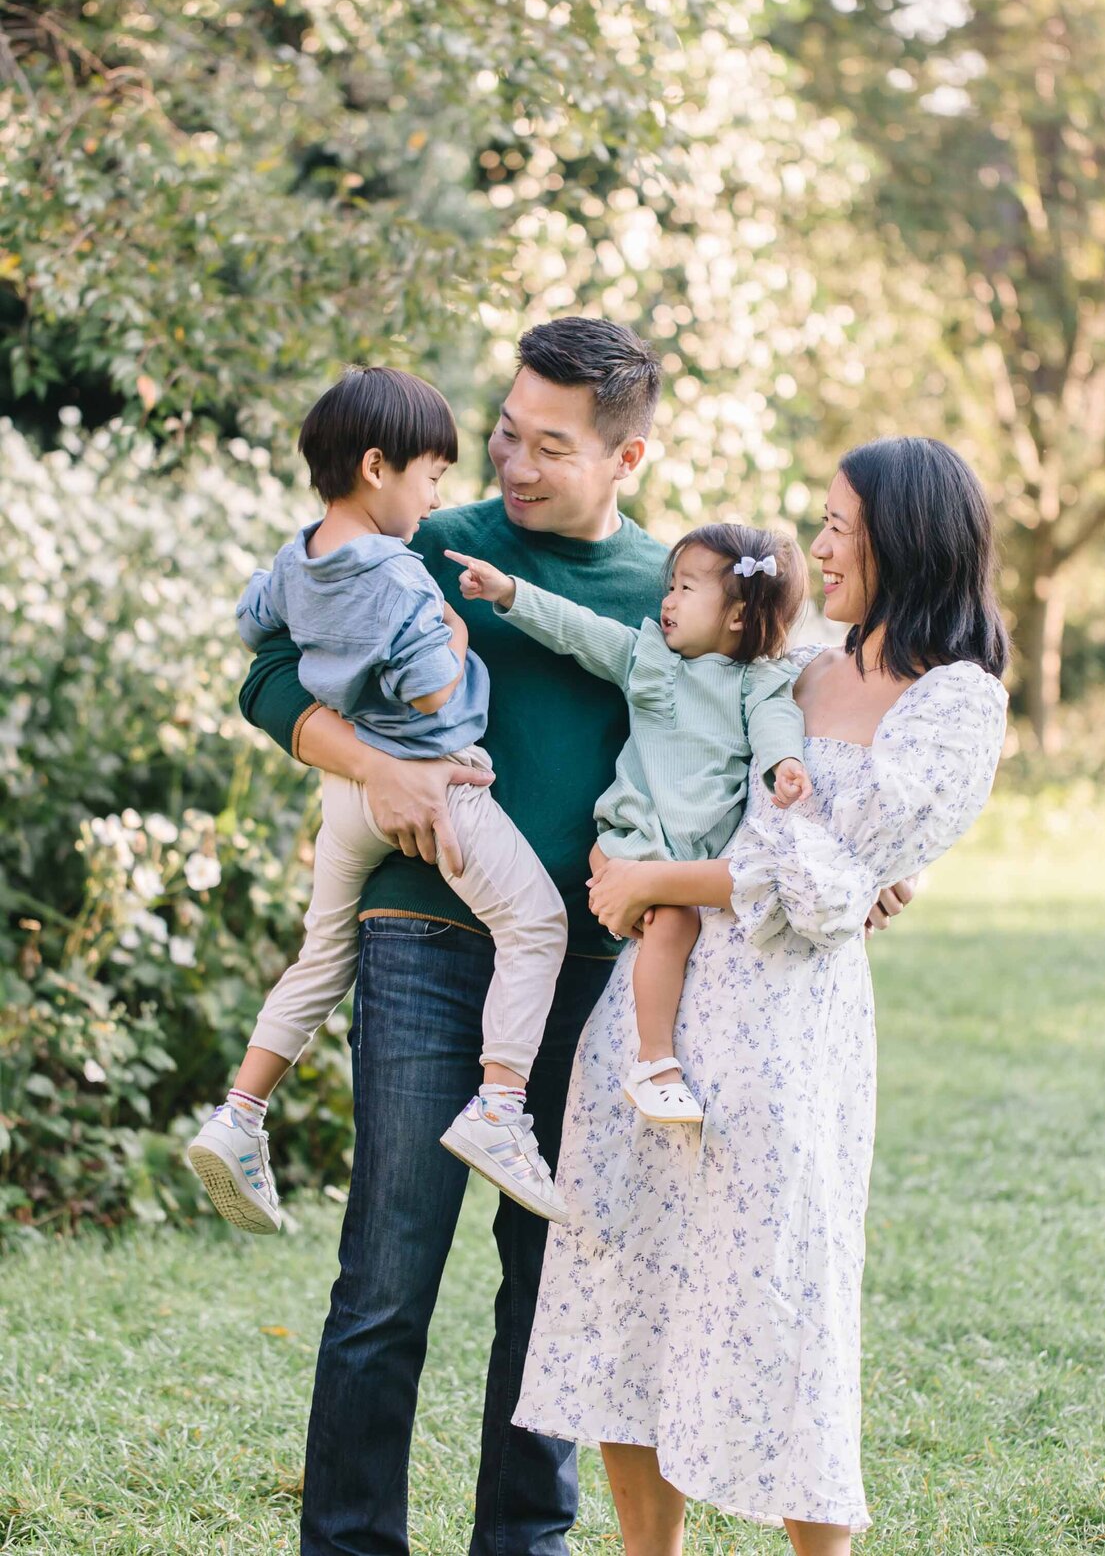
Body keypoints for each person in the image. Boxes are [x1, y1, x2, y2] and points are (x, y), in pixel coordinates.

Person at [237, 317, 912, 1556]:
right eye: (503, 433)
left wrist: (853, 874)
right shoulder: (426, 545)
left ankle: (525, 1547)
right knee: (387, 1277)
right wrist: (373, 766)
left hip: (600, 974)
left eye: (550, 446)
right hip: (426, 937)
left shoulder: (678, 596)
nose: (514, 463)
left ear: (628, 456)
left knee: (552, 1286)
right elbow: (269, 675)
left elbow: (770, 757)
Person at [513, 436, 1010, 1556]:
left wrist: (666, 880)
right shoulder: (799, 665)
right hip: (660, 1012)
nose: (820, 546)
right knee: (629, 1289)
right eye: (824, 523)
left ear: (906, 537)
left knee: (785, 1304)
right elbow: (710, 781)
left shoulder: (957, 703)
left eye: (841, 526)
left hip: (788, 1034)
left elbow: (823, 887)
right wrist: (644, 865)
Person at [186, 366, 571, 1232]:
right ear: (375, 467)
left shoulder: (298, 555)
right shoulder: (401, 579)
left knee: (322, 955)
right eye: (430, 476)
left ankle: (240, 1114)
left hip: (349, 795)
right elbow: (435, 696)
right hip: (435, 788)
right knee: (536, 924)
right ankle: (501, 1108)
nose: (434, 500)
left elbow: (256, 624)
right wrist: (459, 637)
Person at [446, 523, 811, 1124]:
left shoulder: (759, 683)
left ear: (740, 616)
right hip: (629, 840)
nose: (666, 599)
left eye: (686, 588)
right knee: (673, 924)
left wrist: (786, 765)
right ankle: (654, 1062)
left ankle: (652, 1052)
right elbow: (576, 631)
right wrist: (509, 590)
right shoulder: (650, 662)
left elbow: (777, 724)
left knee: (682, 930)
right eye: (670, 584)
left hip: (689, 860)